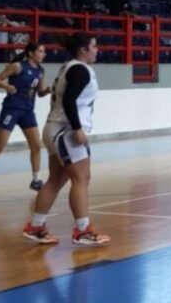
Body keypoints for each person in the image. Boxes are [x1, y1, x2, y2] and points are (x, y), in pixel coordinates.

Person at [21, 32, 110, 246]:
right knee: (81, 179)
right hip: (66, 131)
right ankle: (83, 231)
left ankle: (36, 226)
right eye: (94, 46)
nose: (97, 50)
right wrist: (78, 128)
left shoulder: (68, 67)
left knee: (56, 180)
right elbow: (70, 100)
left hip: (54, 128)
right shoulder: (80, 70)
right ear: (83, 50)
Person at [0, 41, 51, 197]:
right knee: (0, 146)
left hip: (28, 111)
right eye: (41, 51)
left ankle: (36, 180)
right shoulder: (17, 66)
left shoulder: (41, 71)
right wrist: (6, 86)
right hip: (11, 109)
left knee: (36, 146)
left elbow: (40, 92)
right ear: (31, 53)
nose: (44, 54)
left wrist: (47, 91)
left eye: (44, 51)